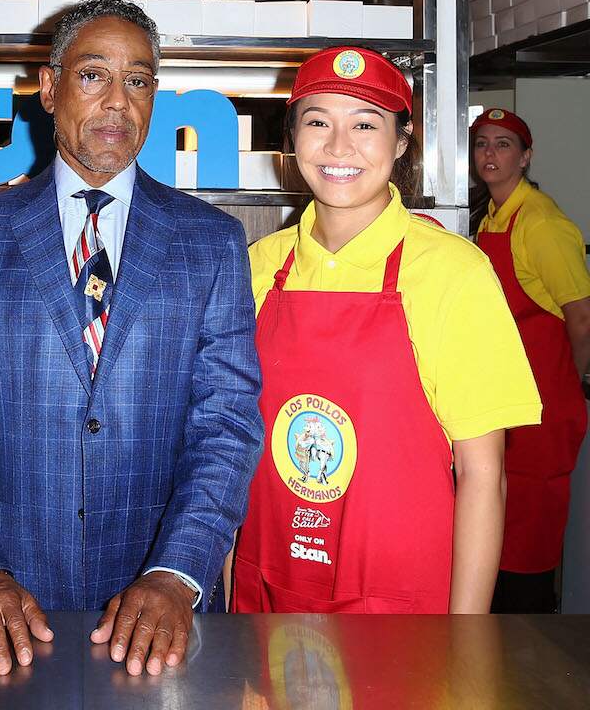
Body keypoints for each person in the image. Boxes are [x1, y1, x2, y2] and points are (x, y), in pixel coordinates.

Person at [0, 0, 263, 678]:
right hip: (7, 613)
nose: (118, 103)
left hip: (161, 613)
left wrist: (177, 573)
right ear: (48, 87)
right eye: (94, 75)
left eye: (138, 80)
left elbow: (227, 424)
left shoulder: (211, 241)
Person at [232, 47, 541, 614]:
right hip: (269, 588)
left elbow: (483, 475)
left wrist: (464, 638)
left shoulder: (454, 272)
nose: (338, 147)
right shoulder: (256, 266)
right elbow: (227, 450)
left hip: (400, 606)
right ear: (292, 140)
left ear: (401, 145)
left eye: (366, 125)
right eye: (318, 121)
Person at [471, 108, 590, 613]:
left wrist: (574, 384)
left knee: (530, 537)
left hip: (544, 404)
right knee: (499, 524)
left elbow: (582, 318)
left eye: (503, 145)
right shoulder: (491, 217)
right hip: (508, 398)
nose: (490, 155)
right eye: (482, 144)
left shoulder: (541, 222)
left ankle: (531, 654)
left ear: (526, 156)